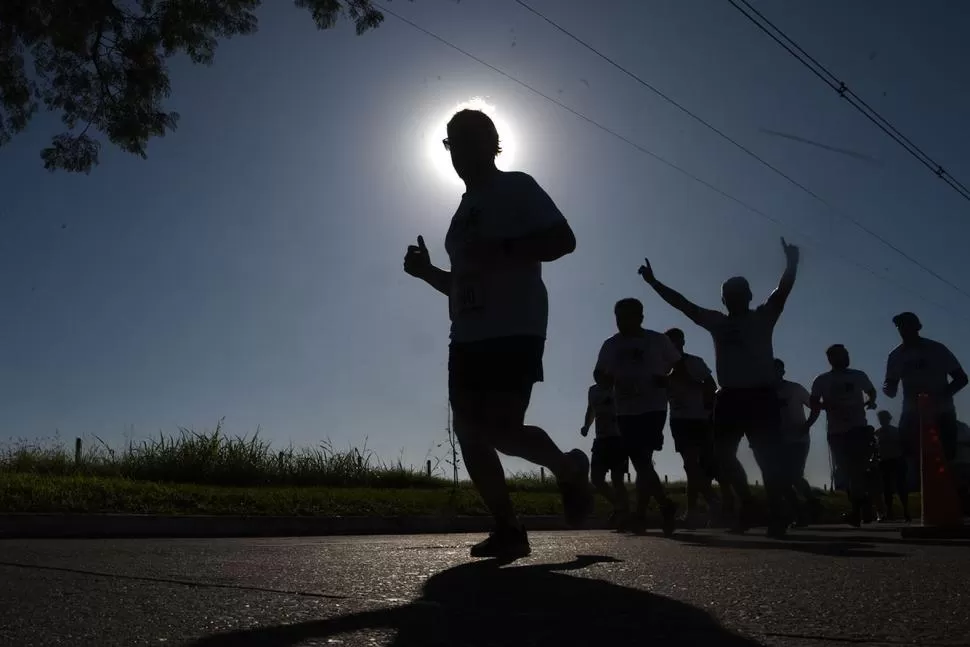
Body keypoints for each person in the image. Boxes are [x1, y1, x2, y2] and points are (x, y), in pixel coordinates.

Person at [403, 109, 591, 560]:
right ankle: (508, 528)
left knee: (504, 431)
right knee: (470, 432)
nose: (459, 151)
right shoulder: (461, 214)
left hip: (516, 325)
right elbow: (462, 281)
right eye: (452, 142)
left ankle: (568, 468)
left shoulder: (517, 187)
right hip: (466, 334)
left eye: (469, 139)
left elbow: (564, 240)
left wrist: (505, 248)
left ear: (492, 142)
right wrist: (428, 272)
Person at [638, 238, 800, 538]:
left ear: (748, 296)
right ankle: (749, 504)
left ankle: (777, 512)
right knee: (722, 457)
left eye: (738, 293)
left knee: (767, 456)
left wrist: (791, 264)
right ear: (724, 300)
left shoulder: (763, 316)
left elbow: (782, 292)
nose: (733, 298)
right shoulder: (717, 322)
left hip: (760, 395)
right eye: (728, 295)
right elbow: (684, 305)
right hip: (729, 397)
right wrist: (654, 283)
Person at [595, 298, 681, 536]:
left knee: (641, 458)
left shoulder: (657, 340)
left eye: (628, 317)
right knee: (642, 460)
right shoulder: (611, 345)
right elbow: (599, 372)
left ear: (640, 317)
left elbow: (677, 365)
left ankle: (651, 510)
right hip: (625, 409)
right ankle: (656, 509)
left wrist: (666, 379)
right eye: (619, 318)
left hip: (653, 406)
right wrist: (607, 381)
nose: (622, 322)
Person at [883, 312, 968, 484]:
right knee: (911, 452)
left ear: (917, 327)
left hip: (942, 411)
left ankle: (955, 493)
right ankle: (925, 491)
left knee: (947, 454)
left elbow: (961, 378)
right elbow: (890, 384)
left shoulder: (936, 349)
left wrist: (941, 395)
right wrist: (888, 389)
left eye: (907, 325)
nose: (903, 330)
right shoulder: (896, 355)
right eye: (900, 327)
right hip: (912, 412)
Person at [805, 344, 878, 527]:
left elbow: (871, 391)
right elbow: (814, 403)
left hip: (858, 428)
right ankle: (862, 503)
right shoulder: (822, 380)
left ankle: (858, 509)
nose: (845, 357)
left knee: (857, 469)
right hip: (836, 431)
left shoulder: (858, 375)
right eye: (840, 355)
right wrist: (821, 412)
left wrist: (871, 402)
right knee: (845, 471)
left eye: (846, 354)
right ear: (831, 359)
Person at [665, 327, 719, 525]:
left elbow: (712, 386)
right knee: (690, 465)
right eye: (669, 342)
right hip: (679, 420)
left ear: (682, 342)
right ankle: (698, 508)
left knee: (698, 466)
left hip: (700, 419)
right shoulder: (661, 367)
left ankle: (709, 504)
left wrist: (689, 381)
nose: (673, 345)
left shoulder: (695, 362)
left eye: (676, 341)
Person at [774, 358, 821, 526]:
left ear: (782, 371)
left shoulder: (794, 388)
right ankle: (801, 510)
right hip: (777, 442)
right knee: (782, 480)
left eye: (777, 369)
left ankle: (809, 503)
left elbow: (815, 406)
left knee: (793, 475)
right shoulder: (764, 392)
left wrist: (807, 424)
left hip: (798, 440)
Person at [581, 369, 630, 526]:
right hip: (601, 439)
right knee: (596, 478)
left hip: (618, 439)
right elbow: (591, 409)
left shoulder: (618, 389)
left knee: (617, 479)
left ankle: (624, 513)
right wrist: (586, 426)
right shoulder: (593, 390)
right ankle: (619, 506)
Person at [875, 410, 911, 522]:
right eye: (881, 419)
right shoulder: (877, 433)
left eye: (884, 418)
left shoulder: (896, 431)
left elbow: (904, 445)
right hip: (885, 461)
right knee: (887, 488)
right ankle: (890, 511)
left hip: (897, 459)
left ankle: (905, 510)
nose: (882, 421)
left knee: (901, 487)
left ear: (889, 419)